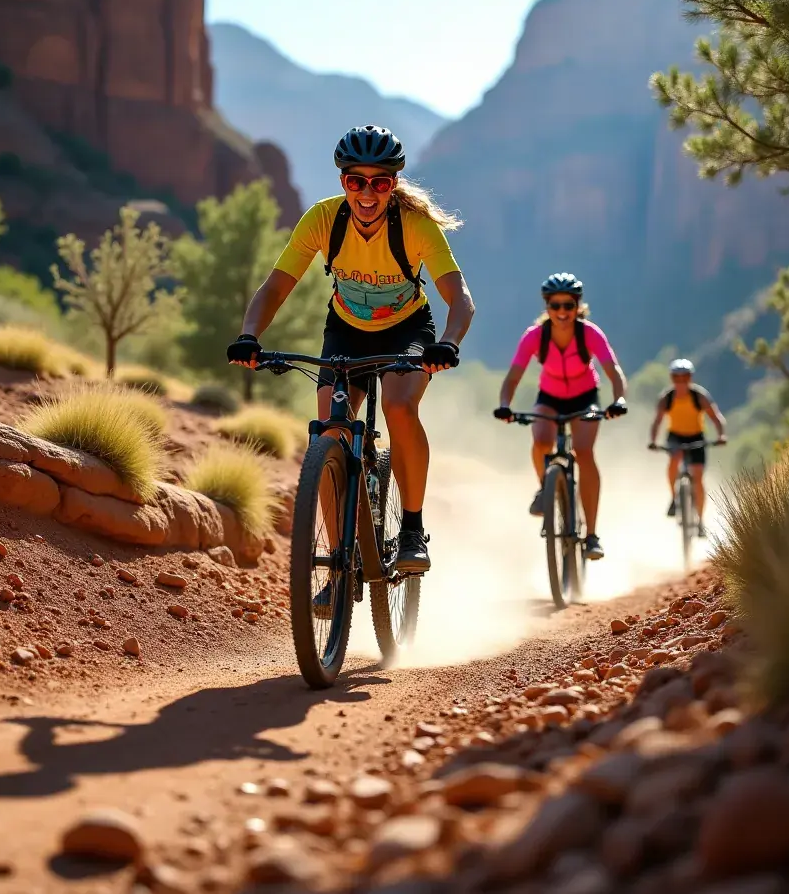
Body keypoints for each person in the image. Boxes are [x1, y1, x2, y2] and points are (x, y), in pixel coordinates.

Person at [226, 124, 475, 576]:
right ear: (343, 182)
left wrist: (448, 344)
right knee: (330, 434)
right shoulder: (323, 219)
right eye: (355, 181)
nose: (367, 192)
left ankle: (413, 530)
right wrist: (249, 335)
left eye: (379, 182)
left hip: (407, 330)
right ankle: (338, 563)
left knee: (400, 408)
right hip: (345, 329)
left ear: (392, 185)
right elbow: (277, 286)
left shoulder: (414, 225)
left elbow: (461, 299)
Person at [492, 273, 627, 560]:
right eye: (556, 306)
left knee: (584, 451)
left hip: (584, 396)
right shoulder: (534, 336)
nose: (563, 312)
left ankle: (591, 535)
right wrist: (505, 403)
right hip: (550, 397)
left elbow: (613, 371)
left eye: (569, 305)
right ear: (547, 307)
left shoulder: (589, 333)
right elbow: (513, 376)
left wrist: (619, 399)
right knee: (541, 442)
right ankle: (546, 488)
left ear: (578, 306)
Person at [648, 358, 726, 537]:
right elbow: (657, 422)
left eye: (685, 377)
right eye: (677, 377)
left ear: (690, 378)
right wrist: (653, 440)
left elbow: (716, 417)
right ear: (672, 378)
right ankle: (674, 498)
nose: (681, 381)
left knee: (697, 476)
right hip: (675, 436)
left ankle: (700, 520)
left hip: (696, 436)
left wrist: (721, 435)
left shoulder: (699, 396)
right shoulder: (666, 398)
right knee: (674, 460)